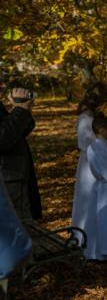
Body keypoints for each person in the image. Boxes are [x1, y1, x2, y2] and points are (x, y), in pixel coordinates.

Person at [72, 82, 107, 243]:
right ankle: (83, 237)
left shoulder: (96, 117)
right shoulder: (85, 118)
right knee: (87, 199)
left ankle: (97, 239)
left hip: (99, 160)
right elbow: (85, 143)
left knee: (98, 199)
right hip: (90, 163)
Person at [0, 81, 41, 221]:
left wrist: (24, 108)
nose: (3, 86)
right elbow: (3, 138)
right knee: (18, 226)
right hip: (7, 181)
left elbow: (19, 132)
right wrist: (19, 110)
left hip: (12, 177)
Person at [85, 114, 107, 260]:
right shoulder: (98, 148)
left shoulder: (102, 145)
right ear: (102, 130)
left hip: (106, 186)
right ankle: (106, 249)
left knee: (106, 220)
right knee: (106, 220)